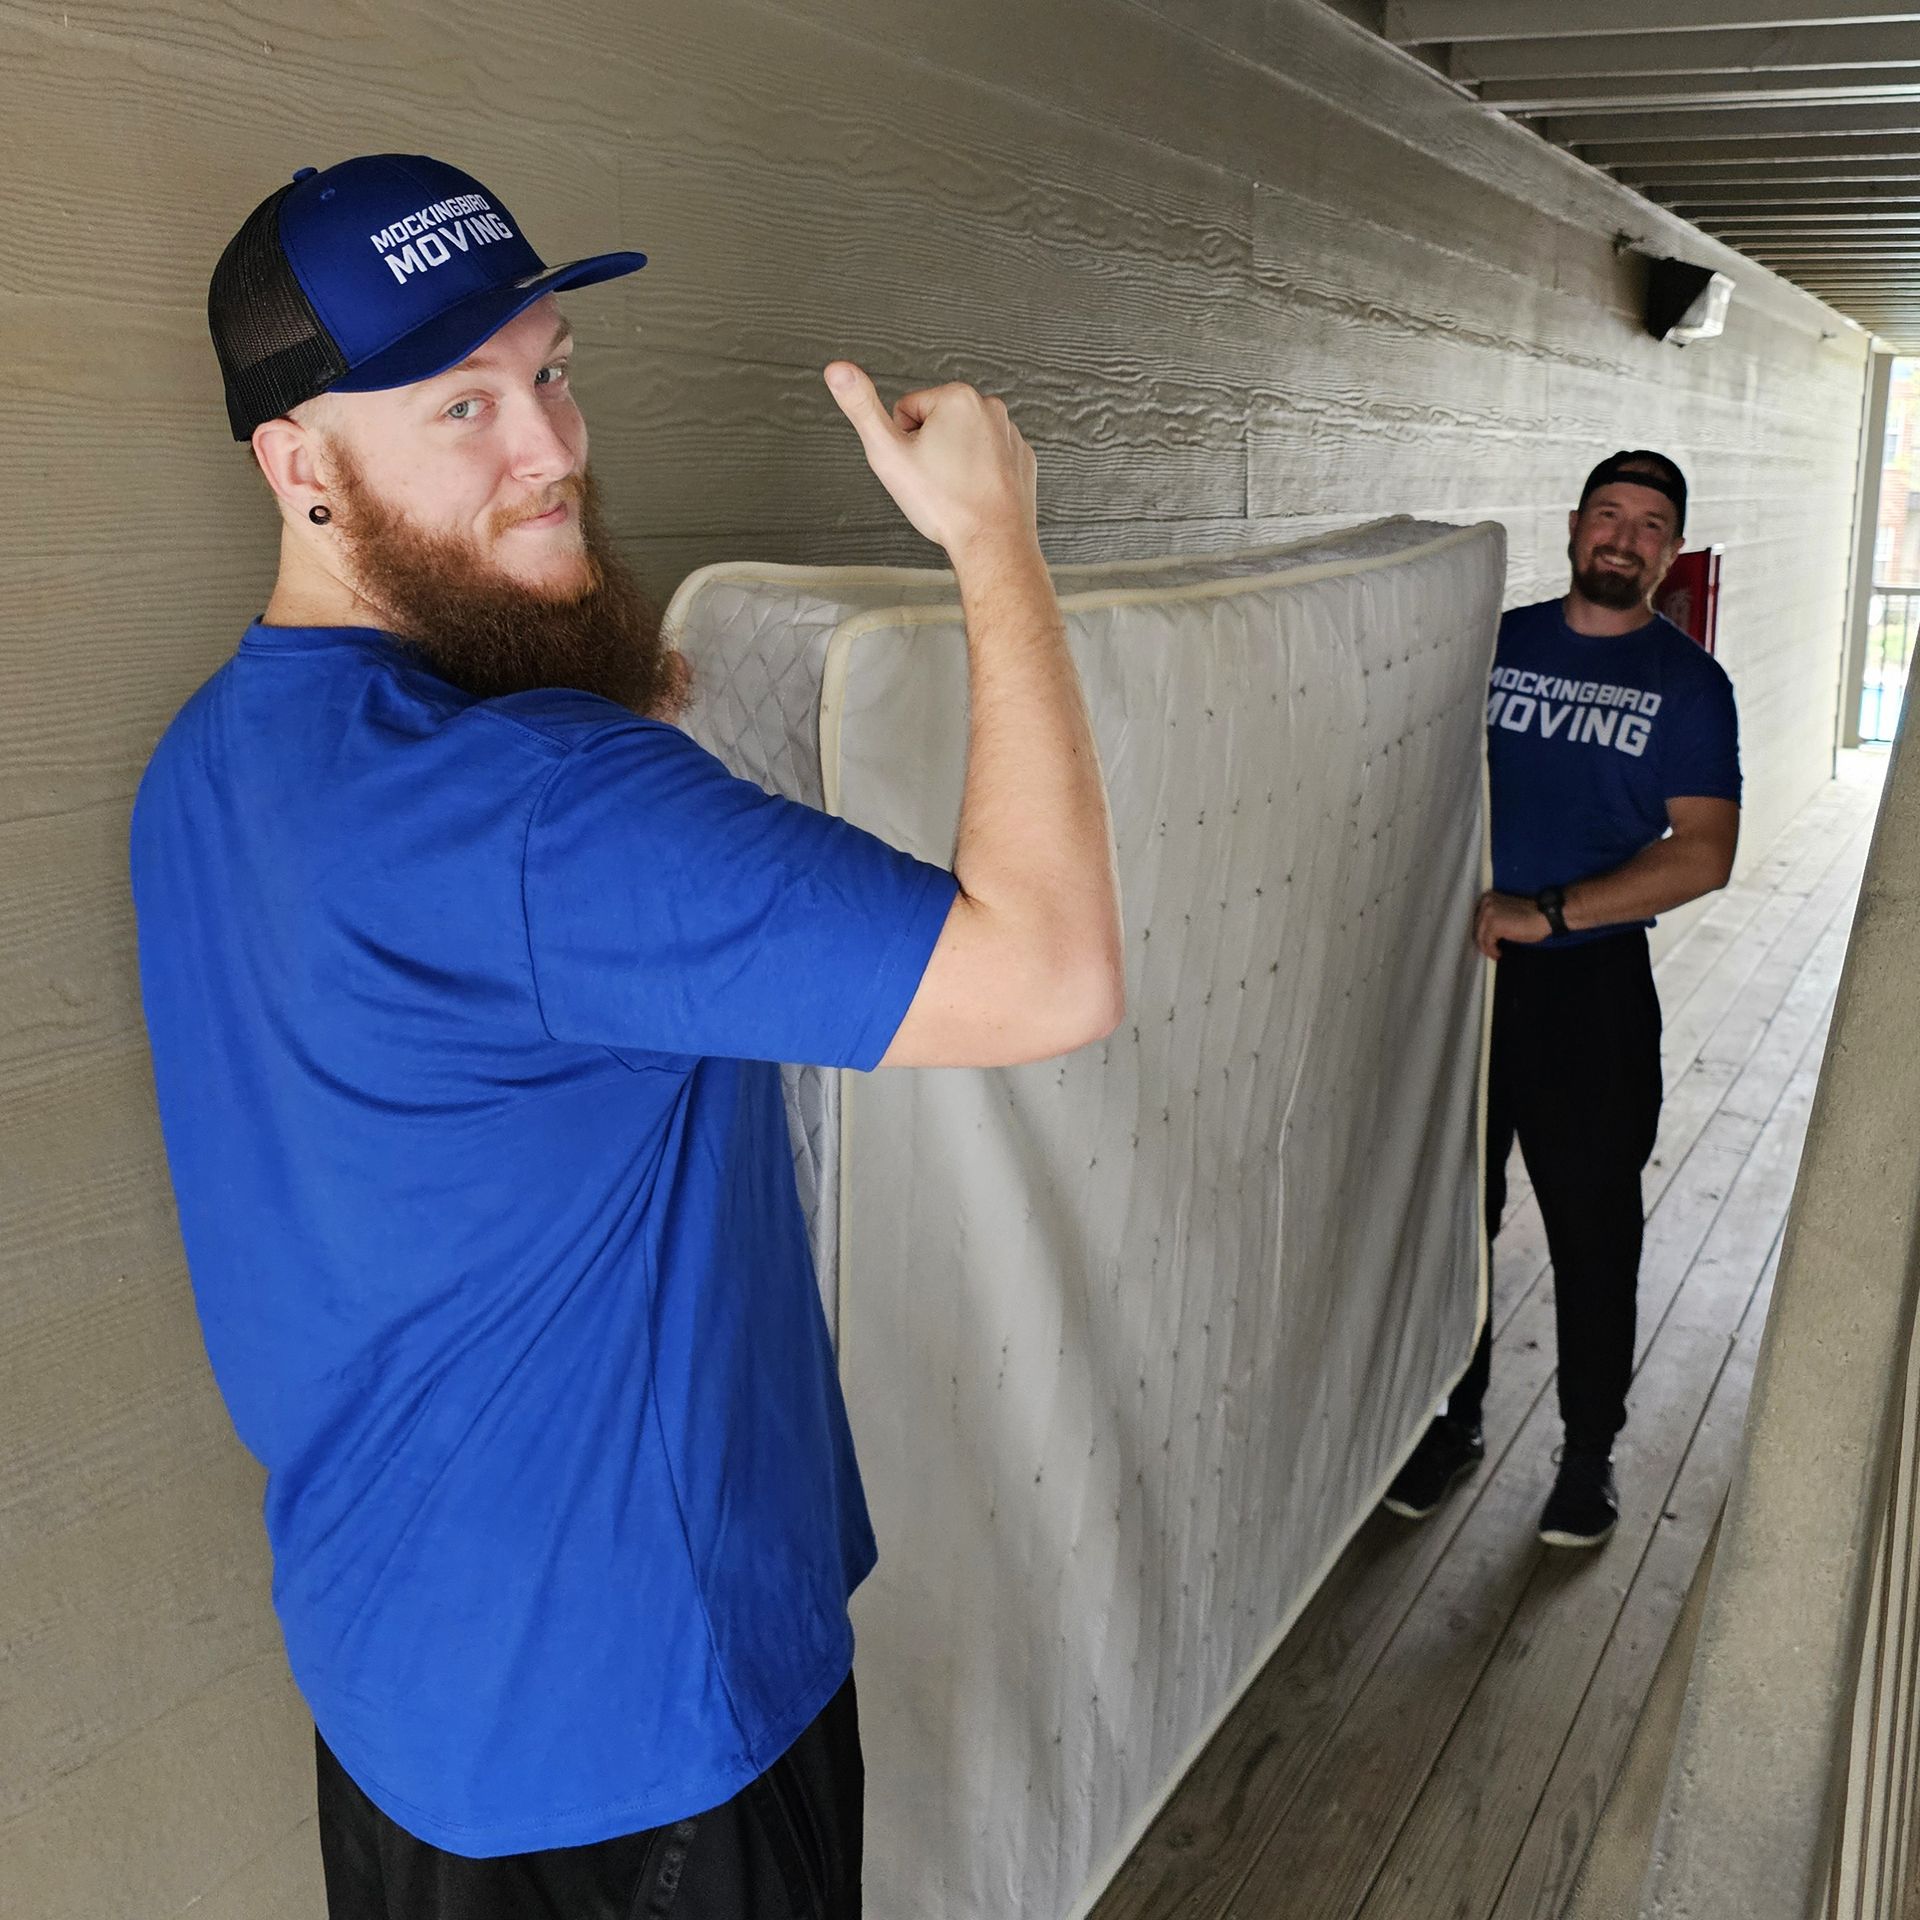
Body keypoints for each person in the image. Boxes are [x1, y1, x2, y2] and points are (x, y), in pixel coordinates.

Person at [130, 153, 1123, 1920]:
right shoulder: (544, 815)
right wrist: (995, 539)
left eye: (552, 370)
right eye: (460, 406)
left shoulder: (208, 765)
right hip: (642, 1746)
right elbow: (1044, 972)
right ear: (300, 468)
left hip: (399, 1704)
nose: (552, 447)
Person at [1383, 450, 1741, 1550]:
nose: (1625, 538)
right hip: (1466, 976)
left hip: (1588, 987)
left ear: (1669, 553)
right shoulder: (1498, 641)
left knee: (1592, 1231)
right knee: (1459, 1219)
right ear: (1575, 525)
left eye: (1651, 525)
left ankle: (1587, 1457)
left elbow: (1706, 854)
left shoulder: (1688, 686)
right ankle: (1455, 1416)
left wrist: (1554, 911)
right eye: (1609, 515)